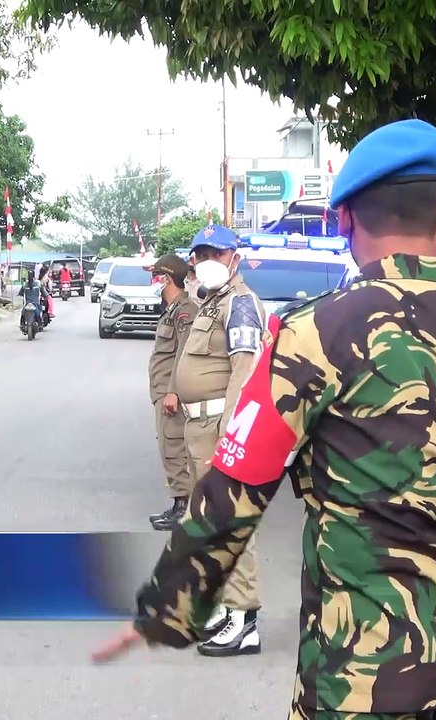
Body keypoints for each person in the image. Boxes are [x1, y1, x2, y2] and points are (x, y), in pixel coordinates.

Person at [93, 119, 436, 720]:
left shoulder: (304, 338)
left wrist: (168, 609)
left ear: (343, 221)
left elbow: (233, 491)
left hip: (348, 686)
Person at [168, 223, 267, 657]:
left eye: (217, 253)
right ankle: (226, 608)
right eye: (200, 253)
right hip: (198, 430)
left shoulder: (241, 304)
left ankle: (245, 620)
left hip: (218, 430)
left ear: (235, 258)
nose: (207, 260)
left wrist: (231, 437)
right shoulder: (210, 302)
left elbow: (243, 375)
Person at [145, 253, 198, 531]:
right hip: (162, 390)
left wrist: (173, 392)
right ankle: (178, 504)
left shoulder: (185, 310)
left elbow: (183, 352)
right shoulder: (172, 309)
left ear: (166, 279)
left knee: (175, 447)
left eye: (156, 276)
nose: (153, 281)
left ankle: (183, 508)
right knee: (168, 447)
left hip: (171, 393)